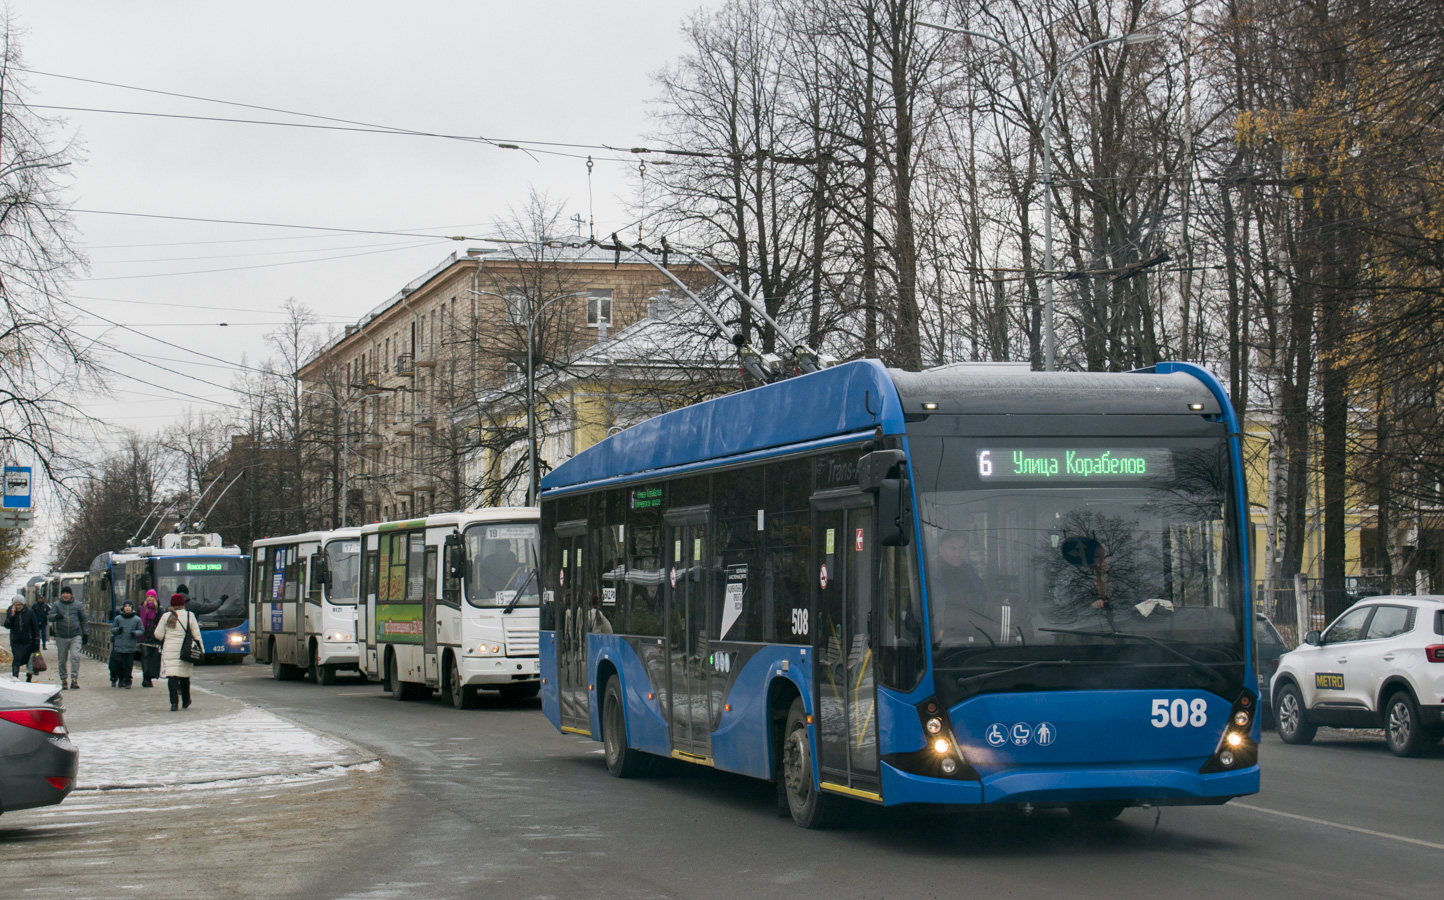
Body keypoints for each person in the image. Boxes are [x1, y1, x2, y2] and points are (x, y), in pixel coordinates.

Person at [929, 532, 993, 644]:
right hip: (940, 643)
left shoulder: (972, 575)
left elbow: (983, 605)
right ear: (941, 550)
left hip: (974, 640)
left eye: (962, 549)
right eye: (953, 549)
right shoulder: (928, 574)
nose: (958, 554)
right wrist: (935, 634)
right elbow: (915, 615)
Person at [154, 591, 203, 711]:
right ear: (183, 604)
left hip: (170, 649)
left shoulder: (166, 616)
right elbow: (196, 634)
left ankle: (174, 703)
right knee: (184, 676)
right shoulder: (189, 615)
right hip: (185, 650)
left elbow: (158, 634)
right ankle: (186, 701)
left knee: (172, 676)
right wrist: (201, 649)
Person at [49, 585, 88, 689]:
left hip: (75, 635)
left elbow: (83, 619)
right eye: (64, 593)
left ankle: (74, 679)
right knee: (62, 660)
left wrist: (85, 633)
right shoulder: (56, 605)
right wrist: (56, 616)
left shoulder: (78, 605)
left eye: (67, 593)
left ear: (71, 595)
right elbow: (50, 616)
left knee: (75, 657)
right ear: (61, 594)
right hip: (61, 636)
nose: (65, 595)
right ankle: (63, 680)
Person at [4, 596, 41, 682]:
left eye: (19, 604)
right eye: (16, 604)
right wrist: (12, 616)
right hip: (16, 641)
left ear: (23, 604)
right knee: (16, 659)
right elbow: (7, 625)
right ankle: (15, 677)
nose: (18, 607)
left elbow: (35, 628)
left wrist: (36, 641)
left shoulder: (30, 612)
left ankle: (29, 678)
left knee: (29, 660)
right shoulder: (10, 611)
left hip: (28, 641)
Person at [109, 602, 144, 688]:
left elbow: (141, 630)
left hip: (130, 645)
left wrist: (135, 633)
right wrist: (118, 630)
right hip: (119, 645)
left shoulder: (137, 619)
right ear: (123, 608)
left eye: (129, 606)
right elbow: (113, 629)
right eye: (125, 606)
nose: (127, 608)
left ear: (132, 608)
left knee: (129, 664)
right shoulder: (118, 618)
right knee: (119, 663)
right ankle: (121, 679)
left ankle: (128, 681)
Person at [138, 590, 162, 688]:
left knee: (153, 658)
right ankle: (146, 678)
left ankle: (149, 677)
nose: (149, 598)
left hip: (154, 637)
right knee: (145, 657)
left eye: (151, 597)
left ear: (155, 598)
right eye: (148, 597)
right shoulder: (142, 609)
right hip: (144, 636)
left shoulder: (159, 610)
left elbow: (161, 623)